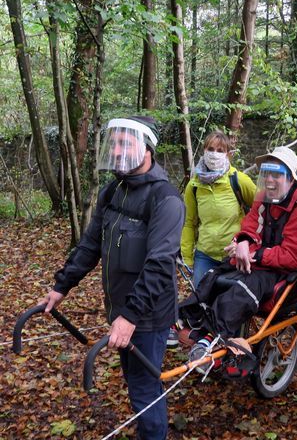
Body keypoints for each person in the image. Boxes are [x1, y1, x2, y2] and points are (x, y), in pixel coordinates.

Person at [39, 116, 184, 440]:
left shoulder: (166, 199)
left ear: (146, 148)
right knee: (136, 384)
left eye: (125, 142)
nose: (117, 149)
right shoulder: (113, 189)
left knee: (145, 390)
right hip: (122, 310)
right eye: (114, 142)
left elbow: (160, 265)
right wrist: (61, 286)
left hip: (146, 317)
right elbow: (91, 244)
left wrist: (129, 317)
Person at [183, 146, 297, 366]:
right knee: (214, 275)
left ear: (290, 178)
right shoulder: (265, 198)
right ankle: (191, 321)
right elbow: (250, 226)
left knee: (242, 289)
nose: (269, 181)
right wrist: (243, 242)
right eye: (266, 174)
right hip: (259, 263)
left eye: (276, 175)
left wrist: (254, 253)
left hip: (283, 271)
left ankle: (214, 337)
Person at [180, 131, 256, 288]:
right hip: (204, 254)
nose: (214, 154)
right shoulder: (193, 186)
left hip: (234, 255)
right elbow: (189, 222)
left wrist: (247, 241)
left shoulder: (238, 180)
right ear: (204, 151)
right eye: (211, 149)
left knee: (229, 303)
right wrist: (186, 258)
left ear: (228, 154)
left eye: (220, 150)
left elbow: (260, 211)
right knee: (200, 301)